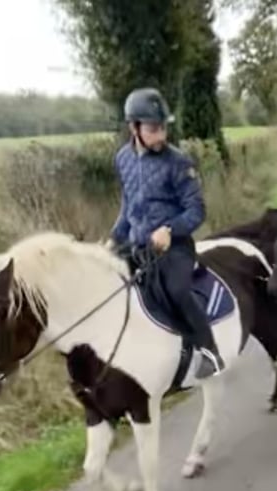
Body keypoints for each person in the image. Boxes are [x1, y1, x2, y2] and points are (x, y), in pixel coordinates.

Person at [105, 87, 225, 379]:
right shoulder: (122, 159)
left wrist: (170, 229)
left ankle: (210, 351)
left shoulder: (179, 162)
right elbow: (128, 206)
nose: (161, 136)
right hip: (136, 246)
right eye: (153, 129)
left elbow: (196, 210)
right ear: (133, 127)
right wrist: (114, 238)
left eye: (163, 128)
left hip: (175, 248)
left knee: (177, 290)